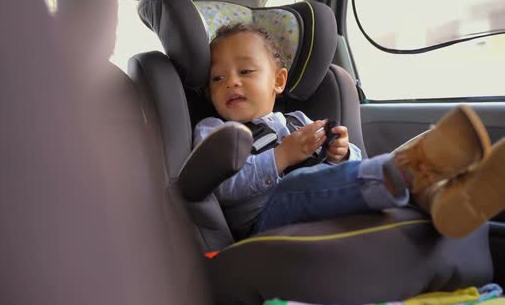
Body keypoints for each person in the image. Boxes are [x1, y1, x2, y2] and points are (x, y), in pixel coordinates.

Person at [193, 22, 505, 240]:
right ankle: (410, 168)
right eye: (217, 79)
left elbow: (345, 172)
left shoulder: (299, 121)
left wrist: (340, 154)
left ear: (278, 80)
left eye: (245, 71)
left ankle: (446, 198)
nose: (231, 82)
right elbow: (218, 186)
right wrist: (281, 156)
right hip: (263, 220)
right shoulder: (214, 129)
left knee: (364, 163)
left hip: (318, 203)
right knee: (299, 184)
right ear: (208, 92)